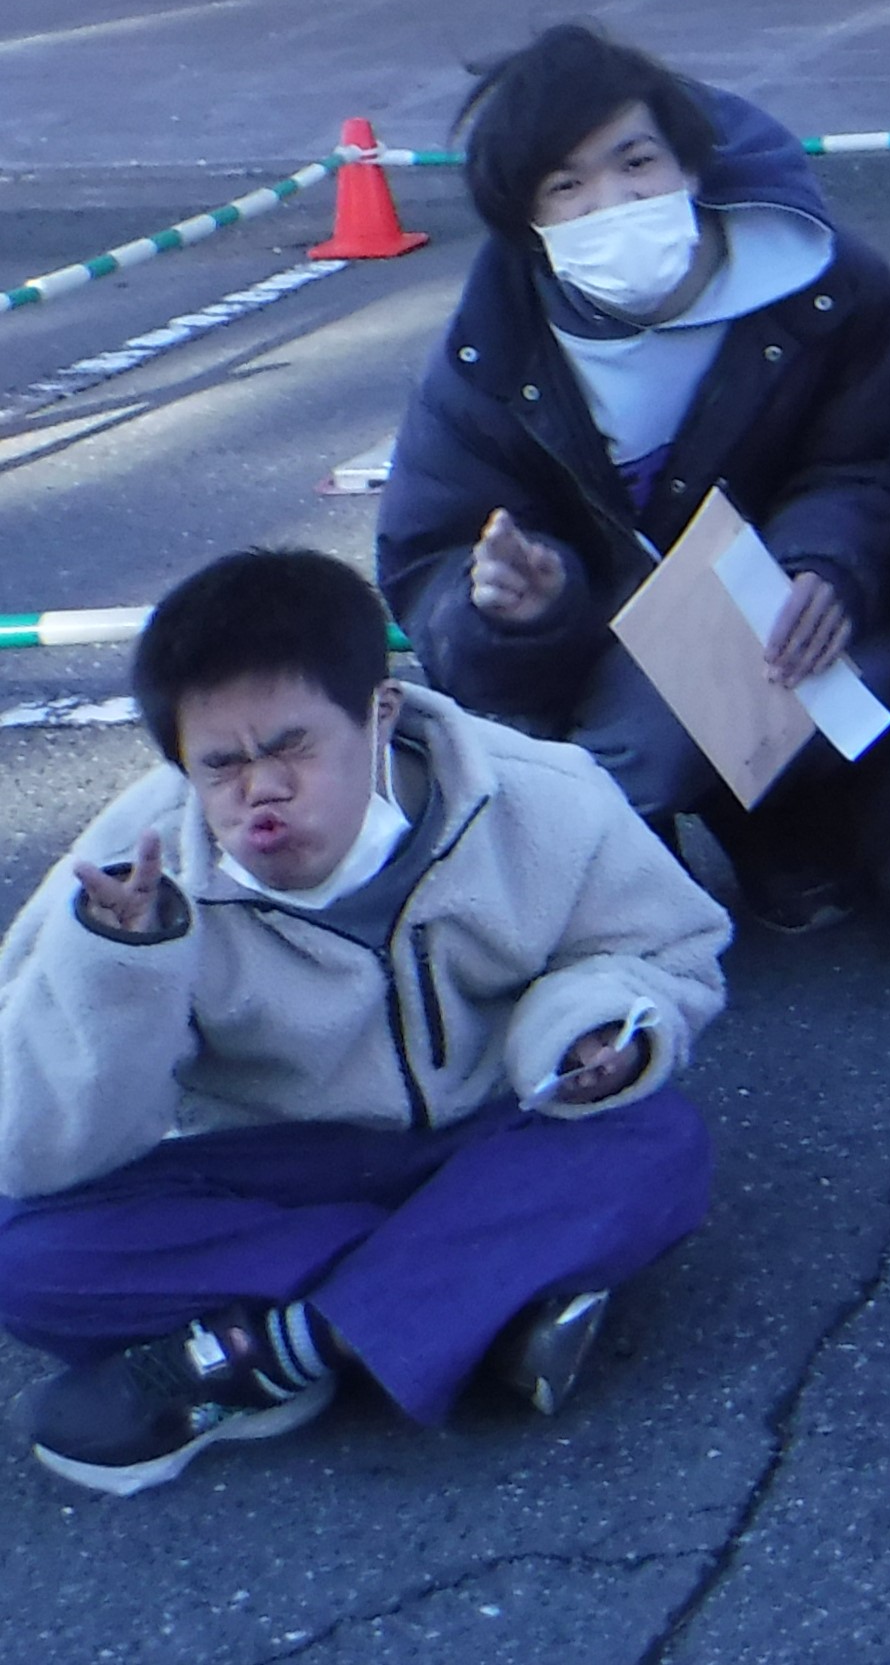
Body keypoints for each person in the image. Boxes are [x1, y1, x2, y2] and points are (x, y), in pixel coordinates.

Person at [0, 551, 726, 1494]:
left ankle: (270, 1349)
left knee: (656, 1136)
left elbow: (668, 949)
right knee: (23, 1251)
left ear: (380, 713)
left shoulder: (542, 795)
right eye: (219, 763)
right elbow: (34, 1149)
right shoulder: (123, 879)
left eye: (292, 746)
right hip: (279, 1174)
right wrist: (120, 968)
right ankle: (472, 1304)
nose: (259, 789)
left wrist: (593, 1025)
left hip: (493, 1133)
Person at [376, 23, 890, 949]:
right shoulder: (487, 350)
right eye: (566, 186)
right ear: (526, 222)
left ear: (692, 164)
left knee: (860, 663)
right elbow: (426, 552)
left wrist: (827, 564)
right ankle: (611, 870)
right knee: (616, 748)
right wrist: (505, 601)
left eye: (636, 162)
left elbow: (868, 459)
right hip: (594, 649)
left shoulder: (818, 282)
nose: (612, 203)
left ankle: (776, 829)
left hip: (764, 614)